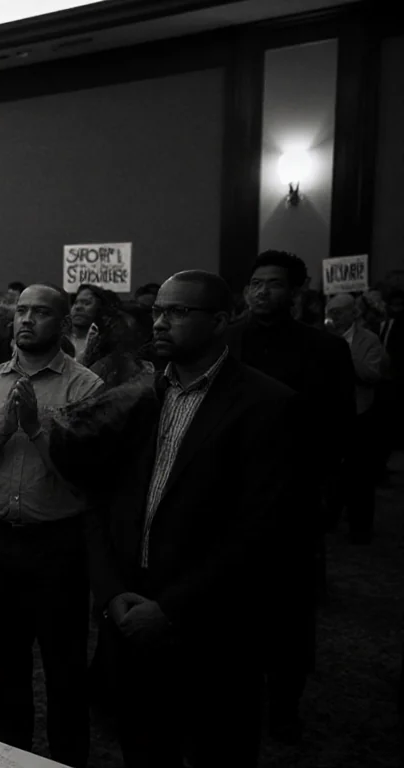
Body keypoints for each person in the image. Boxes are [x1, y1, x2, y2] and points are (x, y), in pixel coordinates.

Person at [85, 271, 294, 768]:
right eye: (157, 311)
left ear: (220, 321)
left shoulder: (267, 403)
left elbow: (259, 530)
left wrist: (172, 608)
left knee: (217, 751)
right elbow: (100, 501)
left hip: (212, 626)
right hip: (130, 611)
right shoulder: (137, 396)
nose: (160, 322)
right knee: (143, 751)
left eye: (178, 312)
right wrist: (111, 592)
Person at [0, 285, 101, 767]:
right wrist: (2, 432)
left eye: (41, 312)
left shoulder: (85, 387)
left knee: (64, 670)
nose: (27, 319)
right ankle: (10, 756)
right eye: (22, 311)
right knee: (5, 666)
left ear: (63, 323)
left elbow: (84, 477)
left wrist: (35, 429)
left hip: (58, 546)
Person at [229, 249, 354, 741]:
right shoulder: (225, 340)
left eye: (274, 284)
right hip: (227, 496)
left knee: (288, 611)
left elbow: (338, 430)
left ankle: (285, 703)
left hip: (292, 497)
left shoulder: (325, 349)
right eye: (256, 283)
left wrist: (326, 500)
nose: (262, 292)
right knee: (229, 607)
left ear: (296, 292)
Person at [325, 292, 389, 544]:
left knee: (360, 474)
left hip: (360, 414)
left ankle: (360, 526)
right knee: (331, 471)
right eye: (331, 312)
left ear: (354, 313)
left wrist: (344, 352)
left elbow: (372, 374)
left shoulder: (369, 340)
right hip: (331, 414)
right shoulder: (322, 338)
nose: (334, 317)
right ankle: (330, 516)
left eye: (339, 312)